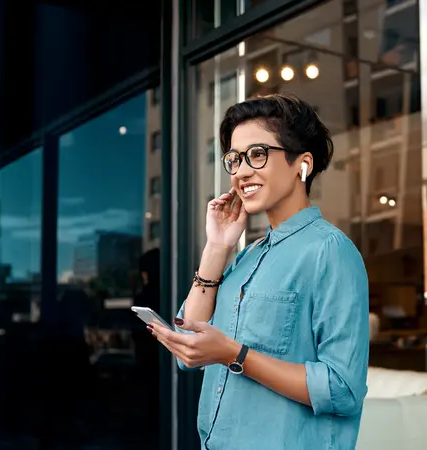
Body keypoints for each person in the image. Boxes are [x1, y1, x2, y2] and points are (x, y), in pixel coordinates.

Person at [150, 93, 370, 449]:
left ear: (303, 164)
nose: (241, 172)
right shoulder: (246, 256)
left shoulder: (329, 251)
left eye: (258, 154)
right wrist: (217, 247)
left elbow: (343, 389)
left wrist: (235, 355)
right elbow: (189, 348)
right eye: (235, 159)